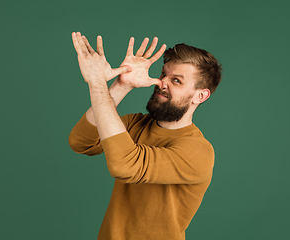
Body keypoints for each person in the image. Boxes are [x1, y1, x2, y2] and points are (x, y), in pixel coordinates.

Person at [69, 32, 222, 240]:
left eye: (176, 81)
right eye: (163, 75)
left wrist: (97, 84)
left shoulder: (198, 151)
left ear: (200, 95)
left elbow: (125, 165)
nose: (162, 83)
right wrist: (121, 85)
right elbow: (81, 142)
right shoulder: (135, 124)